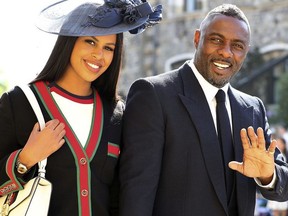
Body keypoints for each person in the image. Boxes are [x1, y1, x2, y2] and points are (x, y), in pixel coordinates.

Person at [119, 3, 288, 216]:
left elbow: (284, 187)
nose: (226, 52)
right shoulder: (154, 95)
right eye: (216, 40)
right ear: (197, 38)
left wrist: (267, 175)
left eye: (237, 45)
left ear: (245, 51)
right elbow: (137, 196)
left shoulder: (252, 109)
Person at [0, 0, 162, 215]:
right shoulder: (20, 102)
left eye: (108, 48)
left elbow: (123, 195)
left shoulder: (117, 115)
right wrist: (25, 159)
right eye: (90, 42)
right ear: (70, 42)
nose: (99, 55)